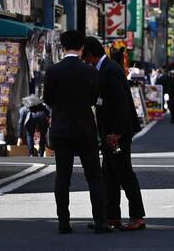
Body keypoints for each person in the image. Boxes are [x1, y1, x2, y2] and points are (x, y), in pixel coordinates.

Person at [43, 30, 111, 235]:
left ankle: (63, 222)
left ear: (63, 47)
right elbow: (94, 99)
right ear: (82, 47)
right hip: (85, 128)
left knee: (63, 176)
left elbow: (48, 99)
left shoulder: (53, 70)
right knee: (94, 176)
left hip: (61, 128)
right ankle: (100, 222)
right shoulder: (89, 71)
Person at [82, 37, 147, 231]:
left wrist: (117, 133)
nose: (84, 61)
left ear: (90, 55)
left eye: (84, 57)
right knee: (109, 173)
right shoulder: (105, 68)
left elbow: (120, 103)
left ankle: (137, 216)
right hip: (109, 131)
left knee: (124, 172)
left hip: (117, 133)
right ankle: (112, 216)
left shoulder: (109, 70)